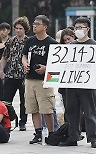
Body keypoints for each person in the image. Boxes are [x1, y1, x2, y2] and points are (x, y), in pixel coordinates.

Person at [59, 17, 96, 148]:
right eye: (76, 28)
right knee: (71, 111)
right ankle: (73, 137)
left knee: (90, 111)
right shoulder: (71, 46)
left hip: (88, 85)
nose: (78, 30)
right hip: (72, 84)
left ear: (87, 29)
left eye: (81, 27)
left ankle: (93, 138)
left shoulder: (94, 45)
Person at [22, 15, 57, 144]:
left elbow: (57, 64)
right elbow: (24, 55)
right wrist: (25, 63)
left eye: (37, 24)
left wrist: (46, 68)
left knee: (47, 109)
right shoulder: (30, 41)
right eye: (34, 23)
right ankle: (37, 133)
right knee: (33, 108)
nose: (34, 26)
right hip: (30, 79)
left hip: (45, 80)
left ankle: (51, 133)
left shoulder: (52, 43)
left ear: (45, 27)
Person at [0, 17, 30, 131]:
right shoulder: (10, 41)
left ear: (25, 29)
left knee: (24, 101)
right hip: (11, 75)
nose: (18, 31)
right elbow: (4, 57)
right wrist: (1, 70)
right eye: (16, 28)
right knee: (5, 100)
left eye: (20, 28)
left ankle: (23, 122)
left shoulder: (29, 41)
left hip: (23, 76)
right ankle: (10, 118)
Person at [0, 22, 11, 100]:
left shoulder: (11, 42)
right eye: (0, 30)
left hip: (8, 65)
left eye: (4, 30)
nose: (2, 32)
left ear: (8, 31)